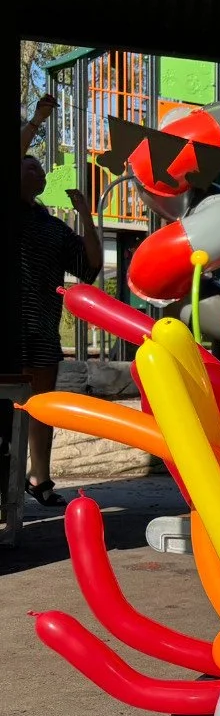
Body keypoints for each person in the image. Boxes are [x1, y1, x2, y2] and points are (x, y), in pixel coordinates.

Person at [17, 93, 103, 506]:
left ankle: (40, 480)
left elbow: (89, 266)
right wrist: (37, 120)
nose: (36, 168)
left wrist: (85, 216)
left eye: (38, 165)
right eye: (28, 163)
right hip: (7, 329)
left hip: (41, 330)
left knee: (41, 408)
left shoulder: (51, 227)